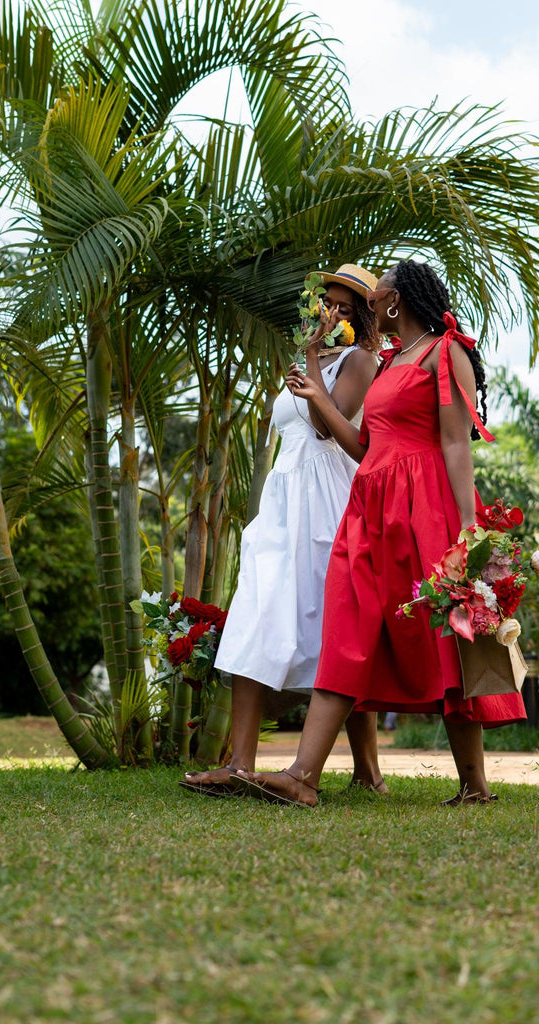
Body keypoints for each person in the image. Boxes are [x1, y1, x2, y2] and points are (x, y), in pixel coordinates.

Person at [236, 259, 526, 807]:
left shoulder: (446, 352)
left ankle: (475, 785)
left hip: (425, 509)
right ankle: (302, 776)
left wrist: (468, 530)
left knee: (446, 638)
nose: (368, 302)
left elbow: (457, 442)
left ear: (396, 300)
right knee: (346, 625)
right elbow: (366, 449)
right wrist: (319, 398)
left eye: (378, 291)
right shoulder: (389, 366)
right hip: (369, 507)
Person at [181, 264, 388, 795]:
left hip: (325, 504)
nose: (333, 313)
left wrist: (317, 361)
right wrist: (310, 357)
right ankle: (240, 764)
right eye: (328, 304)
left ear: (363, 316)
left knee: (332, 634)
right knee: (255, 617)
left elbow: (327, 426)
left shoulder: (360, 360)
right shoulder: (306, 357)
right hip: (282, 498)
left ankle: (362, 771)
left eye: (345, 307)